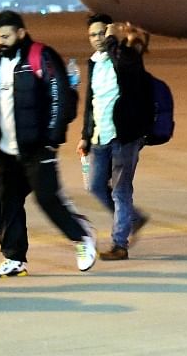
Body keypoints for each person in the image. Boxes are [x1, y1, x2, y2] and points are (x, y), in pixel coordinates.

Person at [0, 10, 96, 277]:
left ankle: (81, 237)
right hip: (6, 150)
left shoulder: (41, 56)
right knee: (6, 203)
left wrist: (51, 139)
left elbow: (60, 98)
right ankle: (14, 258)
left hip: (37, 146)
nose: (1, 40)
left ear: (21, 33)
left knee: (47, 198)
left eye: (6, 35)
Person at [77, 14, 153, 261]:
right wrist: (86, 135)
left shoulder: (125, 56)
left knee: (121, 191)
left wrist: (114, 43)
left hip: (125, 135)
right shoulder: (94, 62)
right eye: (92, 35)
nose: (97, 39)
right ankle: (133, 218)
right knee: (96, 186)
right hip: (101, 135)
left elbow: (128, 70)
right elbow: (91, 101)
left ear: (110, 33)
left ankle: (119, 244)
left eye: (101, 33)